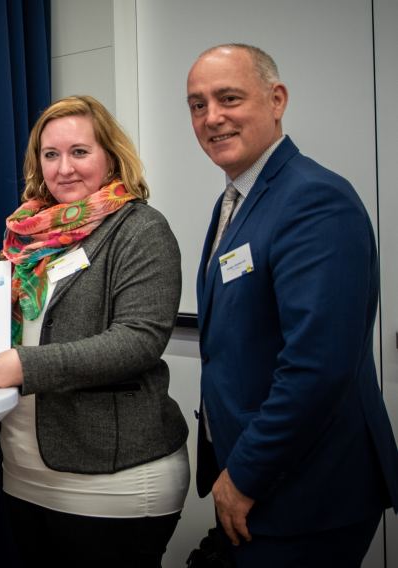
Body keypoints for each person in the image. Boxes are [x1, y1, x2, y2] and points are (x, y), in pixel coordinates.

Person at [187, 43, 398, 566]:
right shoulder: (236, 198)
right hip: (266, 481)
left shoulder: (313, 199)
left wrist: (246, 473)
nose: (212, 118)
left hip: (305, 490)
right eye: (197, 104)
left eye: (229, 98)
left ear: (276, 99)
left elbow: (317, 366)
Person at [0, 95, 189, 567]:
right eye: (51, 154)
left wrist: (24, 366)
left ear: (111, 157)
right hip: (25, 470)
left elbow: (138, 341)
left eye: (79, 152)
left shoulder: (140, 229)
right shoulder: (27, 238)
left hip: (113, 479)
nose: (64, 168)